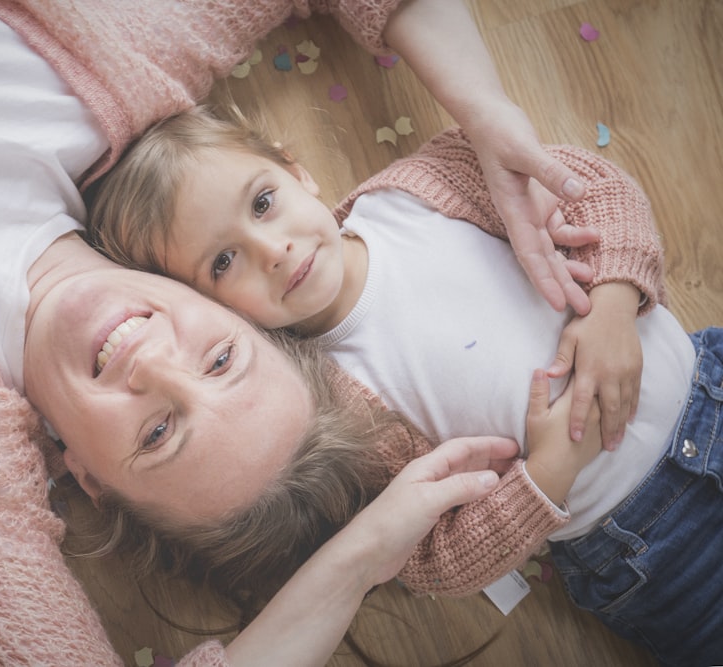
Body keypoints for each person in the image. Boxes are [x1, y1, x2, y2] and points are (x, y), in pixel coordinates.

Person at [0, 0, 605, 664]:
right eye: (221, 359)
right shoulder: (116, 70)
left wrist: (363, 556)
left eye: (156, 434)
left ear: (90, 482)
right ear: (242, 314)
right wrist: (486, 110)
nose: (152, 363)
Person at [87, 106, 722, 666]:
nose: (272, 250)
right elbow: (436, 560)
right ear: (207, 310)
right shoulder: (326, 416)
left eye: (262, 202)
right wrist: (549, 472)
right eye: (222, 263)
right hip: (649, 542)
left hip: (708, 383)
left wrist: (613, 304)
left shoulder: (420, 188)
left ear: (295, 168)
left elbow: (596, 190)